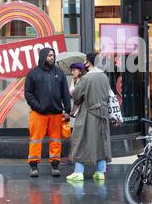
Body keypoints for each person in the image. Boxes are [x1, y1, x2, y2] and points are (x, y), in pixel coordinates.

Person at [67, 52, 120, 181]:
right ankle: (100, 172)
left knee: (79, 141)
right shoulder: (104, 77)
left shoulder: (86, 78)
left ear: (89, 62)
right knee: (102, 142)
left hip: (87, 114)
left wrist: (74, 86)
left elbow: (77, 97)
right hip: (102, 115)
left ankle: (79, 172)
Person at [24, 47, 71, 178]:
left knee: (56, 140)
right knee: (35, 140)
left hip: (56, 113)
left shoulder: (60, 73)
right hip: (38, 113)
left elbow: (65, 94)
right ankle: (34, 166)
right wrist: (37, 106)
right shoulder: (33, 73)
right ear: (43, 56)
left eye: (53, 55)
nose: (52, 57)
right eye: (49, 55)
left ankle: (55, 166)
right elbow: (28, 93)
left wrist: (67, 110)